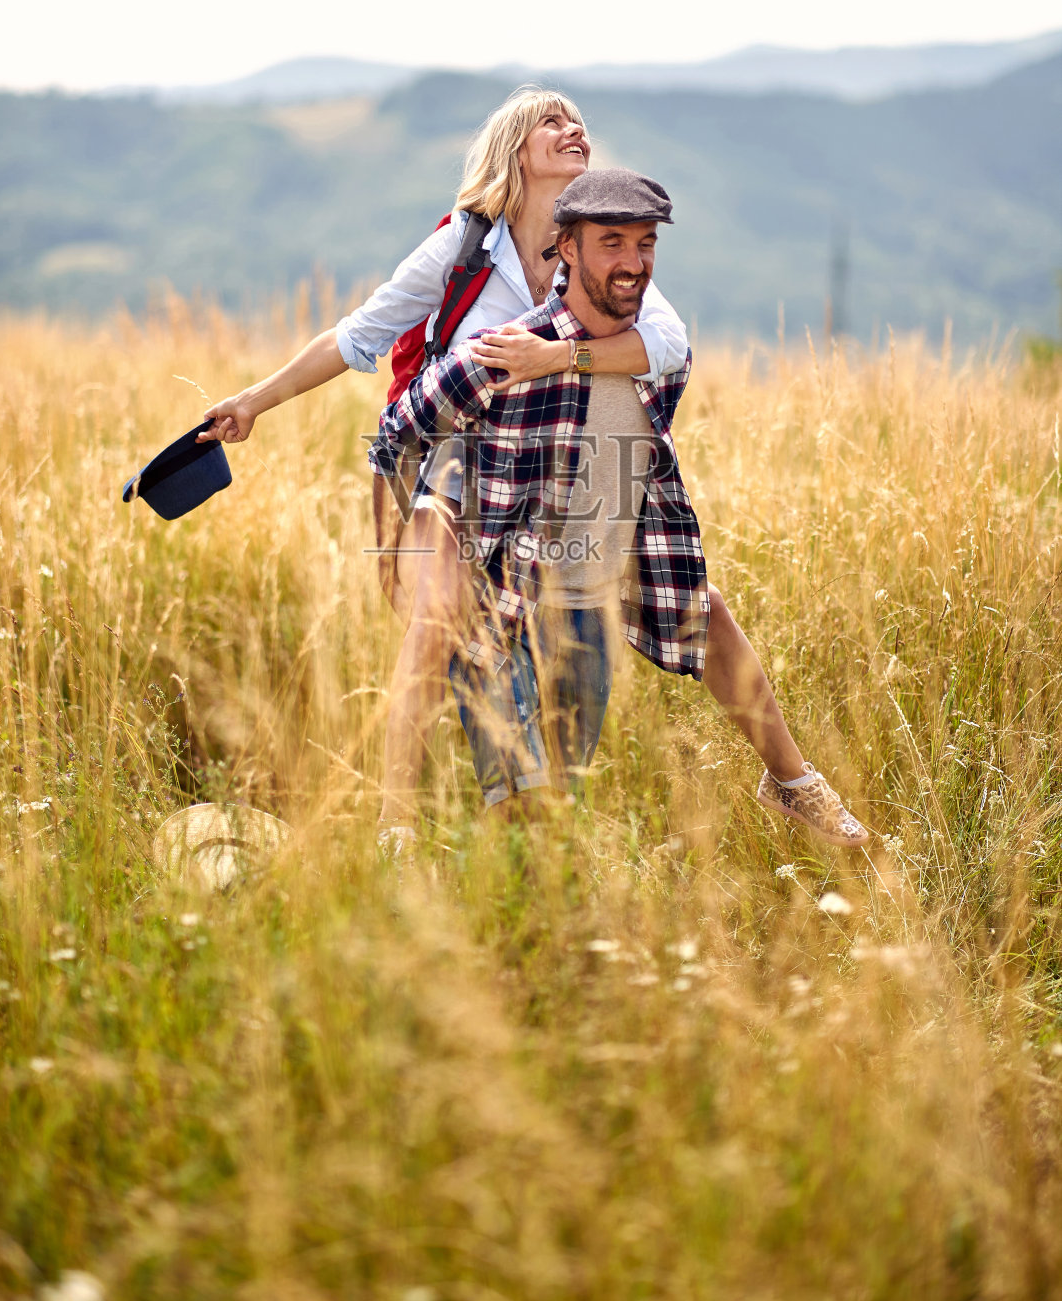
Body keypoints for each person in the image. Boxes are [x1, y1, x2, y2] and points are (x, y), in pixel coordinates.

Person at [197, 87, 690, 827]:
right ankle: (395, 826)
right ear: (513, 150)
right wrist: (253, 401)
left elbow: (665, 346)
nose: (572, 130)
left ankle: (532, 814)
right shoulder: (464, 245)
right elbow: (357, 336)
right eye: (550, 122)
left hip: (555, 467)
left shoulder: (592, 244)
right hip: (456, 456)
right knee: (432, 631)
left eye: (578, 122)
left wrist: (556, 357)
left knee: (563, 654)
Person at [369, 168, 869, 848]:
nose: (632, 263)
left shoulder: (656, 356)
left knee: (569, 792)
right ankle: (398, 843)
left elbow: (662, 370)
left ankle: (791, 784)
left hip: (595, 592)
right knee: (526, 807)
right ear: (566, 249)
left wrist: (567, 359)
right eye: (612, 243)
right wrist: (395, 553)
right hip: (502, 602)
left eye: (644, 244)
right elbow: (395, 436)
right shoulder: (500, 356)